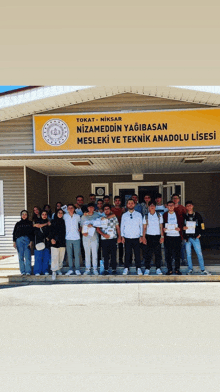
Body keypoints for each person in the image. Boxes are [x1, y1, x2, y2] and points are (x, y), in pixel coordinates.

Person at [183, 201, 211, 275]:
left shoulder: (197, 215)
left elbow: (202, 225)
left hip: (195, 237)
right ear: (186, 207)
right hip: (187, 238)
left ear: (193, 206)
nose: (189, 207)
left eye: (190, 205)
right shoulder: (184, 216)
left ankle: (202, 269)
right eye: (187, 206)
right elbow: (181, 225)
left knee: (199, 253)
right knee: (188, 254)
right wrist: (183, 228)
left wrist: (200, 234)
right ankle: (190, 269)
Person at [96, 204, 121, 275]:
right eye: (105, 209)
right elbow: (97, 229)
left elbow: (117, 228)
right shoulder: (101, 218)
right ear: (103, 210)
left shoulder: (114, 217)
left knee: (113, 254)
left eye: (108, 209)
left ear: (110, 210)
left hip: (113, 238)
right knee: (105, 255)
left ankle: (114, 269)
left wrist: (119, 237)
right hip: (104, 239)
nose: (106, 210)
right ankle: (106, 269)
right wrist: (104, 235)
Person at [120, 198, 143, 276]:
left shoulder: (139, 214)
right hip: (127, 237)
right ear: (127, 205)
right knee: (127, 253)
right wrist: (122, 236)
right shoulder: (124, 215)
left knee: (137, 254)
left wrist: (141, 236)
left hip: (136, 237)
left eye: (132, 203)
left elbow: (141, 226)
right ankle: (126, 267)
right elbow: (122, 226)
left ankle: (138, 268)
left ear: (134, 204)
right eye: (129, 203)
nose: (130, 205)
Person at [142, 201, 164, 275]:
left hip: (157, 236)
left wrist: (162, 236)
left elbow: (161, 226)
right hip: (148, 236)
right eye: (150, 205)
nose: (152, 207)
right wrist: (143, 237)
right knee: (148, 253)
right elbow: (144, 228)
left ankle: (158, 268)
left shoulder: (159, 215)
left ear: (155, 207)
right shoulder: (146, 216)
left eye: (153, 206)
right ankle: (147, 268)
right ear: (148, 207)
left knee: (158, 253)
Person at [163, 200, 183, 275]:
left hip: (177, 236)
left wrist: (180, 228)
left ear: (174, 206)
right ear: (167, 207)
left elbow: (182, 224)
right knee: (168, 254)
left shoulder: (178, 214)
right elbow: (162, 224)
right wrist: (163, 229)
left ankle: (177, 269)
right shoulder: (165, 215)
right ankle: (170, 269)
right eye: (169, 205)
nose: (171, 207)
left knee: (177, 254)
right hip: (168, 237)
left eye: (172, 205)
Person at [80, 203, 100, 275]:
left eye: (92, 207)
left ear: (94, 208)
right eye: (89, 207)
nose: (91, 209)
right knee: (87, 253)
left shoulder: (97, 215)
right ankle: (87, 269)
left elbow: (101, 223)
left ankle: (95, 269)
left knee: (94, 253)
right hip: (85, 237)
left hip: (94, 237)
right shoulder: (84, 216)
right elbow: (81, 226)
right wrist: (83, 232)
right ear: (87, 208)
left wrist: (93, 225)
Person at [13, 210, 34, 276]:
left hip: (27, 240)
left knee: (27, 256)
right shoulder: (18, 224)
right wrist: (14, 241)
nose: (24, 215)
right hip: (19, 240)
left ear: (27, 215)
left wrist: (31, 241)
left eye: (25, 214)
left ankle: (28, 271)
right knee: (20, 256)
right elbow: (14, 233)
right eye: (23, 214)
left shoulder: (30, 223)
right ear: (21, 215)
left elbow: (32, 233)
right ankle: (22, 271)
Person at [63, 204, 81, 276]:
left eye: (72, 208)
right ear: (67, 209)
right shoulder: (65, 216)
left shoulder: (77, 216)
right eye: (69, 208)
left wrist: (81, 229)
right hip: (68, 237)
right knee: (69, 255)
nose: (70, 209)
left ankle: (77, 269)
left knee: (77, 254)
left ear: (74, 209)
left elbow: (81, 224)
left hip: (76, 237)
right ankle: (70, 269)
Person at [49, 209, 66, 281]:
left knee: (61, 256)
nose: (60, 214)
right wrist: (51, 239)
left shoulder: (63, 221)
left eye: (61, 213)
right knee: (54, 257)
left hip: (62, 241)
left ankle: (59, 269)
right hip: (54, 241)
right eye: (59, 213)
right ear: (56, 213)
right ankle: (54, 271)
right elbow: (50, 231)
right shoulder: (52, 222)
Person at [33, 210, 51, 276]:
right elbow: (37, 228)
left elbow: (51, 232)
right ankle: (37, 271)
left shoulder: (49, 224)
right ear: (40, 215)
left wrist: (48, 237)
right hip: (38, 242)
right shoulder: (37, 222)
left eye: (45, 214)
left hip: (47, 243)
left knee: (46, 258)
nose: (44, 215)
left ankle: (45, 271)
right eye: (43, 214)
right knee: (38, 258)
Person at [172, 193, 187, 265]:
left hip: (181, 230)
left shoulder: (182, 208)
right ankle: (174, 259)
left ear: (179, 199)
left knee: (182, 245)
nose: (175, 200)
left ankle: (183, 259)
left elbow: (185, 219)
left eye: (176, 198)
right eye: (174, 198)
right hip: (172, 230)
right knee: (173, 246)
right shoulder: (170, 207)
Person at [111, 196, 125, 265]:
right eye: (116, 200)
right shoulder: (111, 209)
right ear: (114, 202)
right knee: (112, 245)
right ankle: (112, 260)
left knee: (120, 245)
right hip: (112, 229)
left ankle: (120, 259)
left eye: (119, 200)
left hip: (121, 229)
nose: (117, 202)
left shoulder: (123, 210)